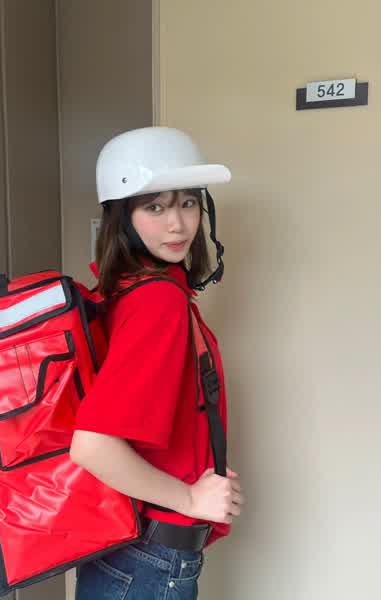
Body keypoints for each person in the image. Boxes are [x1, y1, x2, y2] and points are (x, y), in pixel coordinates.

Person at [70, 126, 244, 599]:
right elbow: (92, 446)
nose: (178, 225)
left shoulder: (126, 290)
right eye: (155, 207)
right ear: (122, 218)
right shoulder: (157, 302)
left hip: (129, 552)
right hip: (150, 559)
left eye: (188, 203)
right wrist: (189, 496)